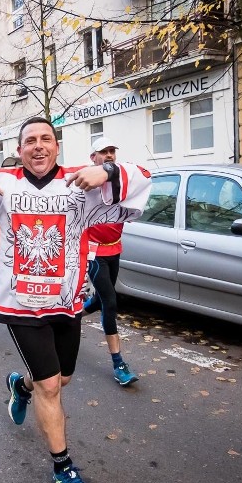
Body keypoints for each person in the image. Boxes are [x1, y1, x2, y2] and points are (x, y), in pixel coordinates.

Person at [0, 116, 151, 483]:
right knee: (51, 387)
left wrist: (106, 170)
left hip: (66, 303)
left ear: (56, 146)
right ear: (19, 149)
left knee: (60, 379)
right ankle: (63, 466)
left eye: (45, 139)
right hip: (20, 304)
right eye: (29, 140)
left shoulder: (79, 182)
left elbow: (143, 181)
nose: (38, 146)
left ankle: (20, 385)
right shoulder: (3, 183)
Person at [82, 138, 138, 387]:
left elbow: (141, 176)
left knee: (98, 300)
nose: (109, 155)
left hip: (114, 249)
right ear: (93, 157)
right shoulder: (85, 183)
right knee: (109, 301)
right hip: (94, 253)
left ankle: (71, 317)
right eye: (103, 152)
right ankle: (119, 364)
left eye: (112, 151)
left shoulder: (121, 181)